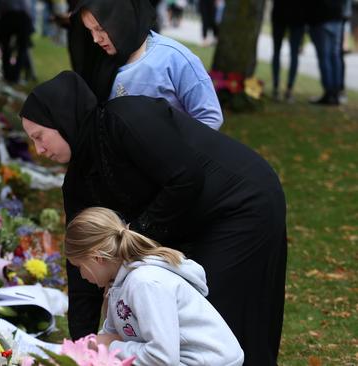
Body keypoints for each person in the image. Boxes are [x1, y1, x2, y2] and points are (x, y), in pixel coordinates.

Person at [20, 71, 287, 366]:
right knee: (178, 319)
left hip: (240, 203)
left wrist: (134, 238)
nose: (39, 150)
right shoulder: (78, 183)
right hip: (191, 219)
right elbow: (82, 261)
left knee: (219, 315)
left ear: (61, 119)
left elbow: (185, 178)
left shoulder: (126, 117)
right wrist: (83, 349)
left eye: (39, 137)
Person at [65, 207, 244, 365]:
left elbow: (162, 358)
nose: (81, 275)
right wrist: (93, 348)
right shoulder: (118, 284)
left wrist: (110, 346)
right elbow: (110, 336)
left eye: (80, 266)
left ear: (98, 258)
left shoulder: (146, 283)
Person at [69, 0, 223, 130]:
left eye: (101, 29)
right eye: (90, 31)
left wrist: (177, 154)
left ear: (122, 19)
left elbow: (210, 117)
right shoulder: (103, 62)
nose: (96, 39)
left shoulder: (173, 58)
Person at [307, 0, 345, 105]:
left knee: (325, 57)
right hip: (336, 17)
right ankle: (336, 92)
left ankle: (329, 92)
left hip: (322, 19)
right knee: (334, 55)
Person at [271, 0, 306, 102]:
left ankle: (276, 88)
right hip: (296, 16)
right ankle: (288, 90)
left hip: (282, 13)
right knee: (293, 54)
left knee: (278, 52)